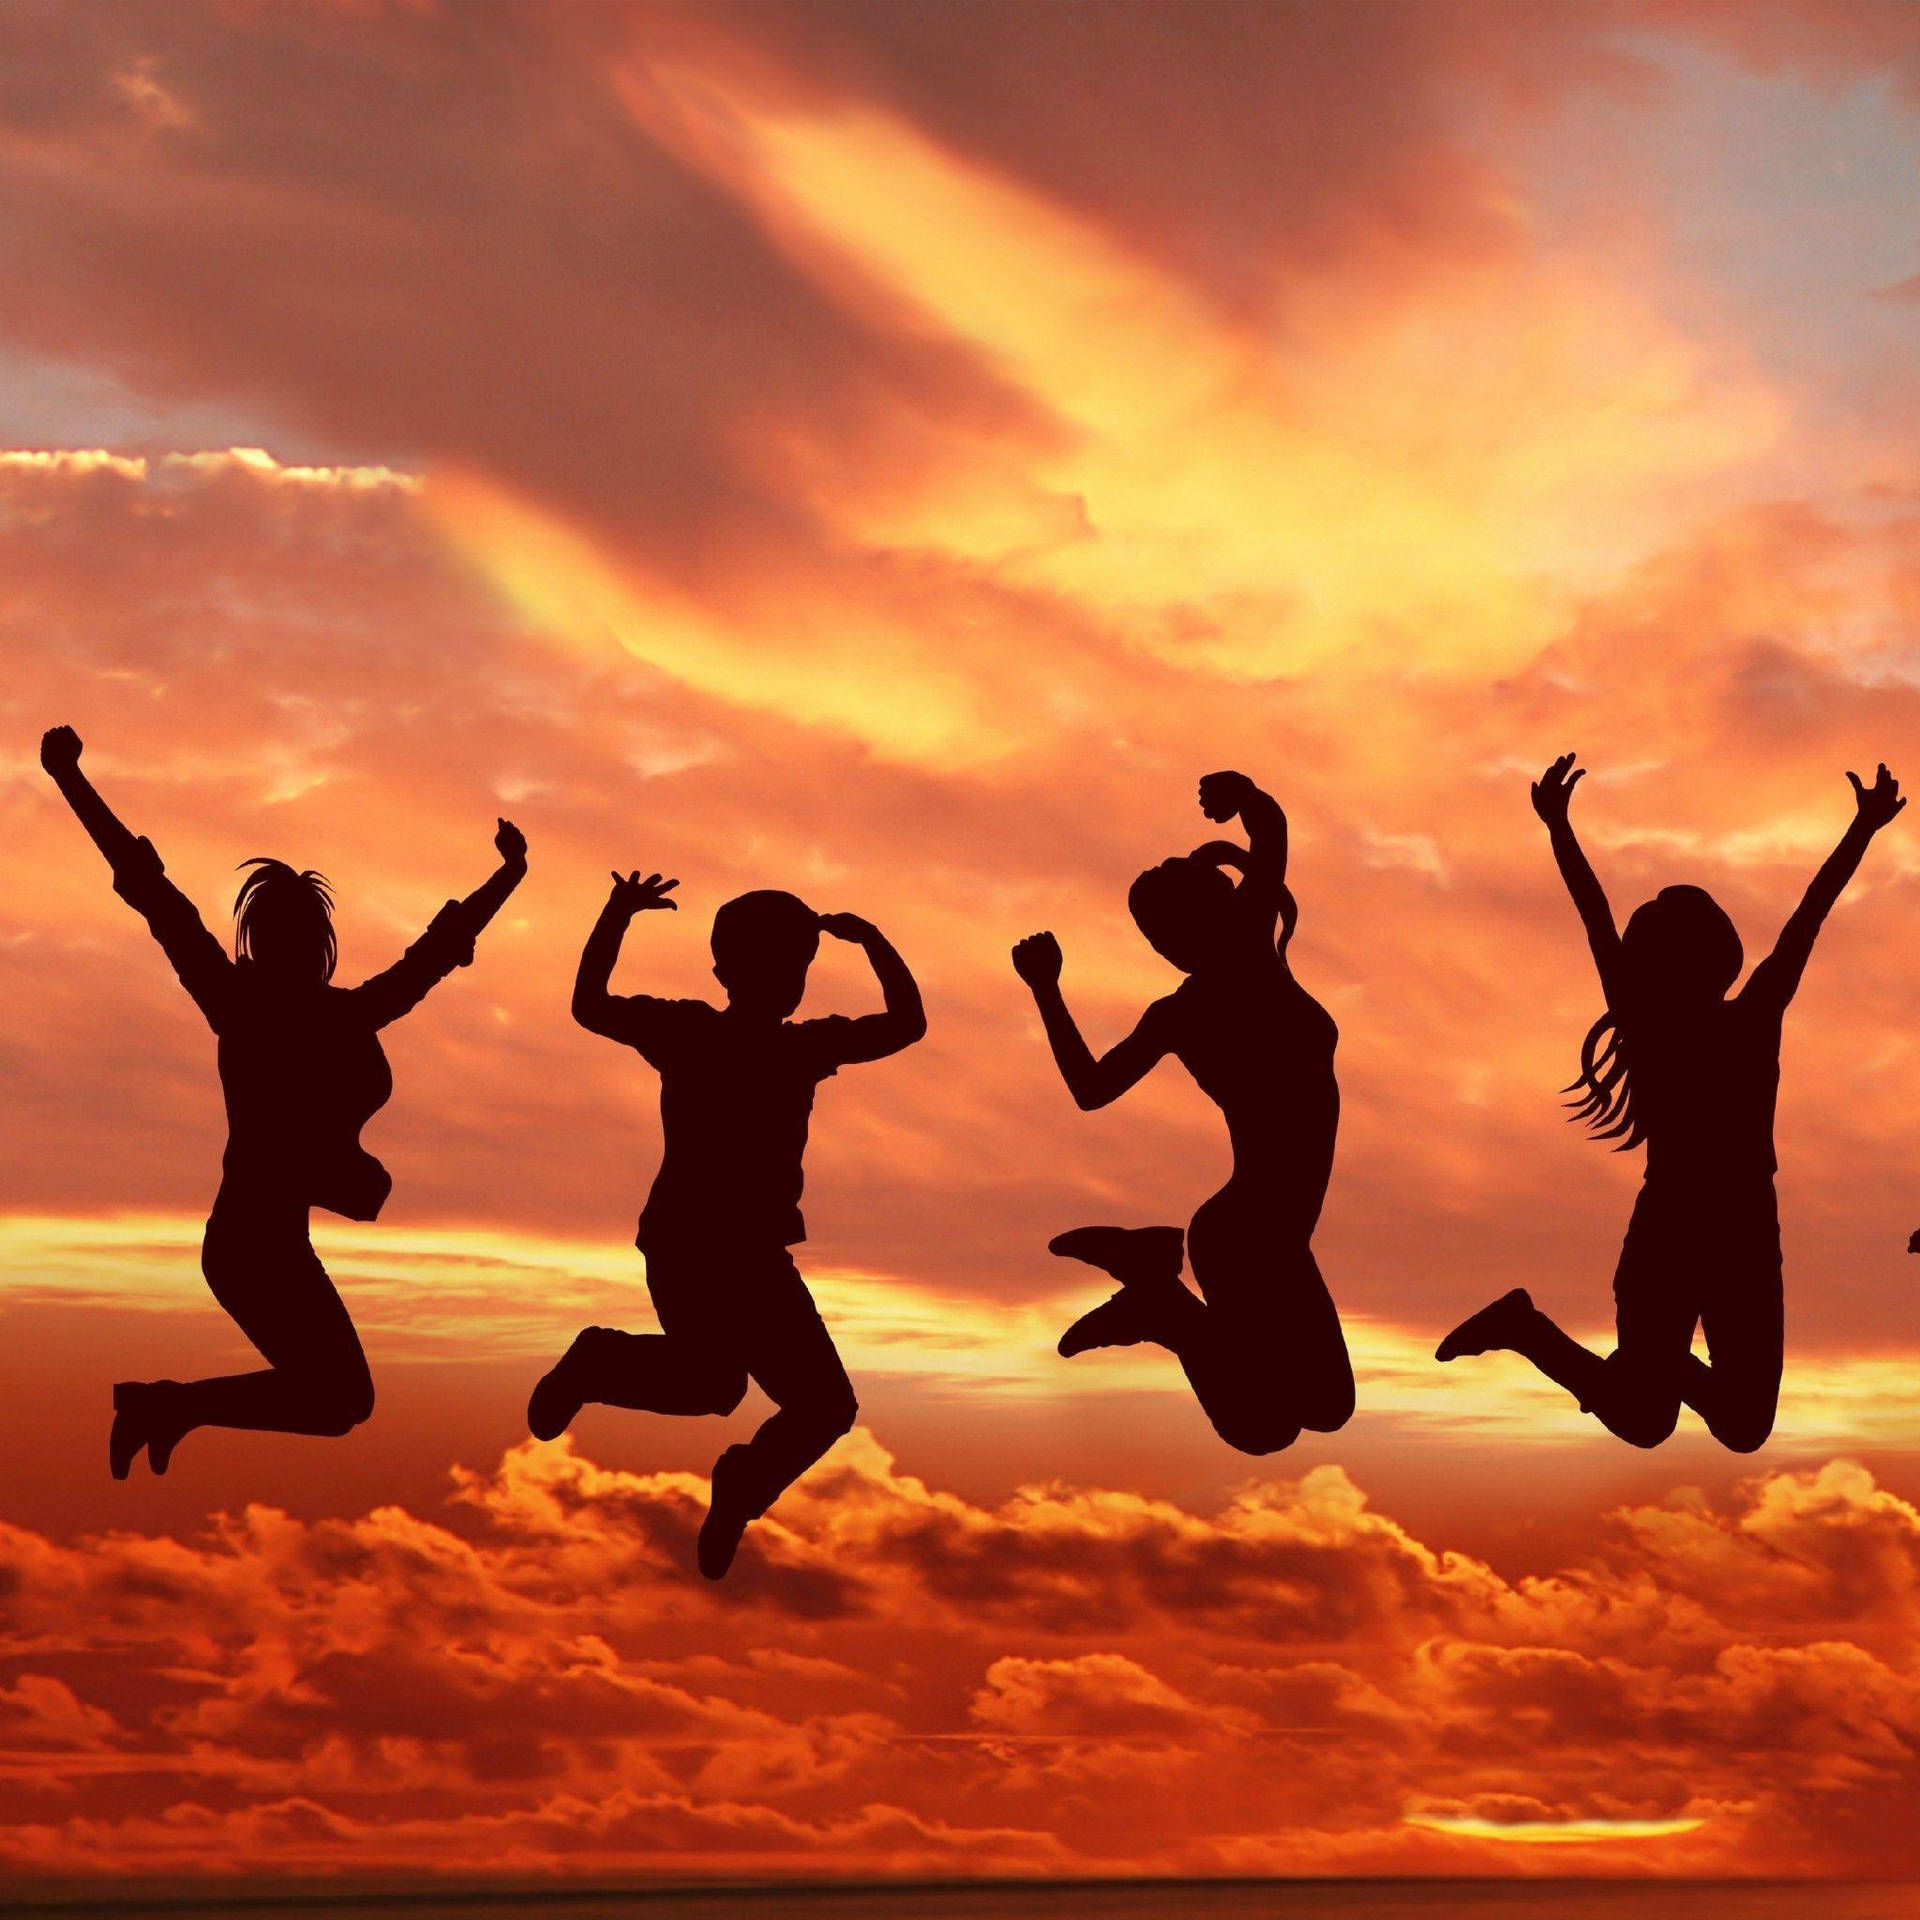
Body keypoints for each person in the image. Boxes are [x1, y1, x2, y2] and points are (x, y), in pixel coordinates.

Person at [40, 725, 527, 1477]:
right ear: (266, 941)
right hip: (246, 1246)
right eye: (287, 935)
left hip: (270, 1244)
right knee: (340, 1401)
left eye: (307, 935)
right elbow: (151, 893)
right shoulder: (242, 1002)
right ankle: (164, 1406)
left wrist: (509, 877)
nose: (300, 948)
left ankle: (166, 1406)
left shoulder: (333, 1014)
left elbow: (433, 957)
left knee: (342, 1403)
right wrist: (70, 780)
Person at [1437, 752, 1906, 1452]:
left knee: (1742, 1426)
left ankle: (1638, 1357)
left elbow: (1804, 925)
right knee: (1646, 1421)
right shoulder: (1663, 1021)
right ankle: (1527, 1329)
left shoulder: (1742, 1019)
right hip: (1673, 1229)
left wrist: (1863, 832)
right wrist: (1558, 829)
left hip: (1746, 1232)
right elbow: (1599, 920)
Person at [528, 870, 925, 1579]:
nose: (790, 979)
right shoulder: (702, 1032)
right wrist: (870, 942)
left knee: (772, 1397)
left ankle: (737, 1480)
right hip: (697, 1246)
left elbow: (905, 1029)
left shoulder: (787, 1045)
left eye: (798, 966)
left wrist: (872, 941)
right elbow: (591, 1006)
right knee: (759, 1396)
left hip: (740, 1252)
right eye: (781, 964)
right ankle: (599, 1364)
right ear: (727, 971)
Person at [1011, 770, 1354, 1455]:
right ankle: (1160, 1306)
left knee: (1319, 1408)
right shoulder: (1216, 986)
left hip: (1271, 1233)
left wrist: (1247, 795)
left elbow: (1272, 836)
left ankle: (1154, 1289)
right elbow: (1092, 1089)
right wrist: (1047, 992)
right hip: (1249, 1234)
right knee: (1269, 1424)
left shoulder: (1227, 974)